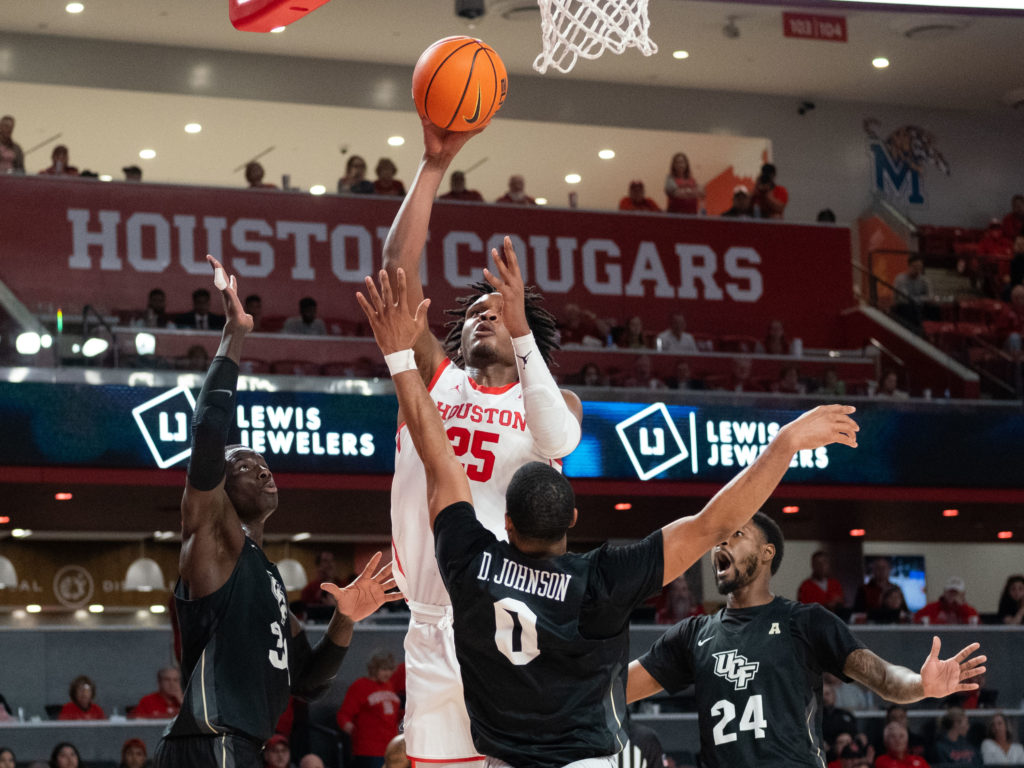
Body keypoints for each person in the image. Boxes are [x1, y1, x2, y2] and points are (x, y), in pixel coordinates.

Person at [356, 263, 862, 768]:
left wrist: (401, 358)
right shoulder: (600, 581)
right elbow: (711, 522)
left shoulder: (472, 565)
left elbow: (441, 462)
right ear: (573, 519)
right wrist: (785, 443)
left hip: (506, 754)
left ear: (504, 523)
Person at [375, 117, 583, 767]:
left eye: (499, 308)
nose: (485, 313)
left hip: (512, 617)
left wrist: (526, 340)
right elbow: (395, 272)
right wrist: (434, 165)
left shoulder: (548, 402)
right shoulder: (435, 378)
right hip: (432, 620)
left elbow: (562, 431)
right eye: (473, 312)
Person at [153, 255, 401, 768]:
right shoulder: (214, 541)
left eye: (265, 464)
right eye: (245, 464)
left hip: (241, 744)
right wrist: (235, 335)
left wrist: (345, 619)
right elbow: (207, 434)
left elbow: (308, 682)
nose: (263, 470)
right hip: (210, 740)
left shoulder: (266, 578)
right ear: (221, 485)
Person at [627, 512, 986, 768]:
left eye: (736, 534)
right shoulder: (693, 634)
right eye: (718, 538)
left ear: (767, 553)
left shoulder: (805, 621)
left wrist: (921, 684)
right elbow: (618, 686)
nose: (721, 542)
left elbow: (885, 679)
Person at [336, 651, 403, 768]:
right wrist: (355, 732)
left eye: (390, 669)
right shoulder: (360, 686)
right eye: (384, 669)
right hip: (368, 749)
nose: (388, 673)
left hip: (390, 747)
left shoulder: (389, 685)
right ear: (374, 669)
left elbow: (392, 715)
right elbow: (344, 715)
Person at [891, 255, 935, 328]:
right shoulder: (900, 279)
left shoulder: (925, 280)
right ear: (909, 266)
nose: (918, 269)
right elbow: (905, 298)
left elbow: (930, 297)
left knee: (934, 309)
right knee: (909, 308)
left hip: (920, 307)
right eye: (915, 267)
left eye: (920, 267)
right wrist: (922, 299)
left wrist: (917, 300)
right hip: (903, 307)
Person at [797, 550, 847, 616]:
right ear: (813, 565)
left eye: (824, 562)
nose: (822, 566)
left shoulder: (835, 584)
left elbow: (843, 604)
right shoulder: (805, 586)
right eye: (818, 563)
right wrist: (825, 606)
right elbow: (803, 610)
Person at [914, 577, 980, 625]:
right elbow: (915, 623)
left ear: (963, 595)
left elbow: (977, 631)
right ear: (944, 593)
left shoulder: (970, 611)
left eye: (956, 593)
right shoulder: (931, 608)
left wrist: (961, 608)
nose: (953, 596)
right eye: (950, 592)